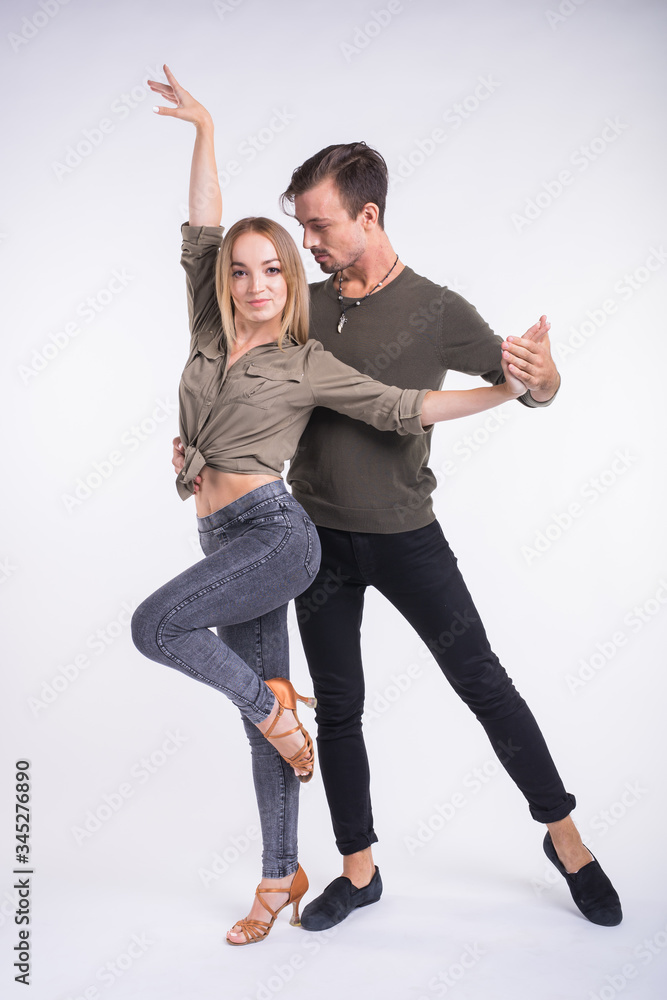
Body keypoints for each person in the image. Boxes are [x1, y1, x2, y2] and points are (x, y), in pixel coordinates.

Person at [137, 66, 535, 947]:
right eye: (242, 272)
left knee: (155, 628)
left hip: (278, 534)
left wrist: (509, 389)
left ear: (292, 279)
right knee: (268, 717)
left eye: (274, 268)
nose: (256, 283)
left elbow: (402, 408)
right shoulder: (210, 327)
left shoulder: (305, 356)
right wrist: (204, 128)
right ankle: (279, 873)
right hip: (218, 533)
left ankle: (275, 707)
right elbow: (203, 231)